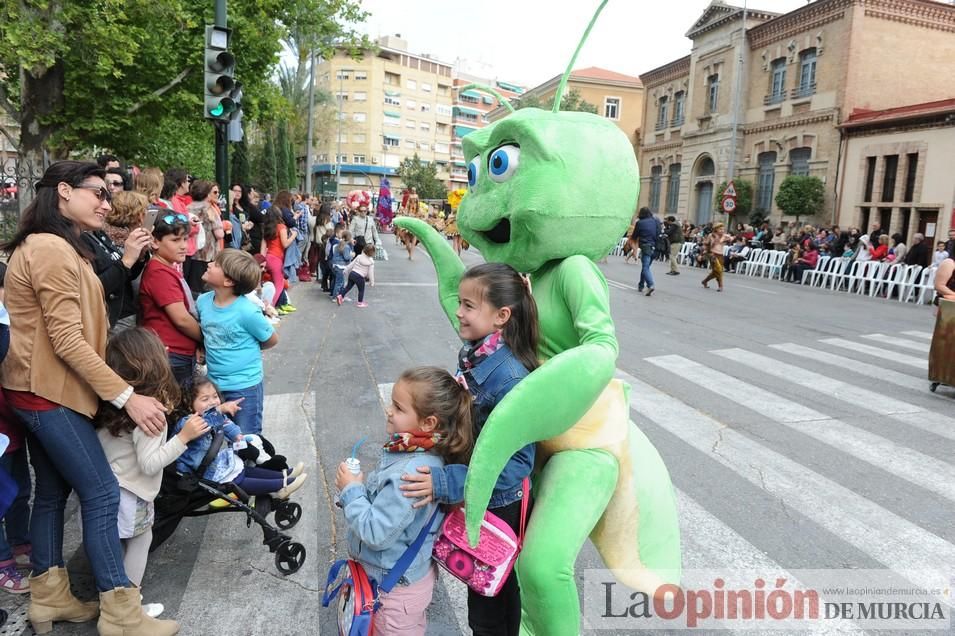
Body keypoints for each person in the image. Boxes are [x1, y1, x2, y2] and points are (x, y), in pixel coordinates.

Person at [0, 160, 175, 634]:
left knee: (52, 496)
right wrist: (127, 398)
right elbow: (68, 339)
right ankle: (121, 614)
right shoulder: (51, 249)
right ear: (63, 191)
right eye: (97, 193)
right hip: (48, 393)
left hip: (40, 390)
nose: (106, 202)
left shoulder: (56, 245)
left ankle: (49, 597)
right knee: (100, 493)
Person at [400, 263, 537, 636]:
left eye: (468, 305)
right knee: (491, 591)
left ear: (501, 316)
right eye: (460, 303)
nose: (458, 312)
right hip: (475, 496)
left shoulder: (509, 378)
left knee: (489, 601)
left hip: (497, 506)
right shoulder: (477, 352)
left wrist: (449, 482)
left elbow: (517, 464)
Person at [336, 366, 472, 636]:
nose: (389, 411)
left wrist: (352, 490)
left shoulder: (410, 474)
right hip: (395, 581)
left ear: (428, 423)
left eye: (398, 408)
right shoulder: (416, 452)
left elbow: (376, 531)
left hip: (393, 593)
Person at [96, 328, 210, 617]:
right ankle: (129, 607)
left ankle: (116, 598)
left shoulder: (113, 402)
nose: (168, 352)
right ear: (154, 364)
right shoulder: (150, 412)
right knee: (141, 540)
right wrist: (183, 437)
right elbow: (150, 463)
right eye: (162, 351)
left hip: (110, 487)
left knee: (118, 546)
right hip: (133, 492)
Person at [174, 377, 306, 497]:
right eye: (205, 399)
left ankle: (282, 475)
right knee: (237, 480)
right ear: (188, 402)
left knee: (243, 469)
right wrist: (219, 410)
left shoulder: (214, 414)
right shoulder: (187, 422)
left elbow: (226, 423)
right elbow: (207, 423)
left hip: (213, 463)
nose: (213, 402)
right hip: (198, 473)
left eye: (215, 396)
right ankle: (281, 487)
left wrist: (237, 435)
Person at [197, 249, 278, 435]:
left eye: (216, 264)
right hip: (214, 385)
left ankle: (253, 465)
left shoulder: (247, 311)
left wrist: (248, 350)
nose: (209, 264)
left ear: (228, 281)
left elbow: (271, 339)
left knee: (246, 438)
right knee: (217, 433)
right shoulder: (202, 302)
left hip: (244, 387)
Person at [139, 213, 202, 387]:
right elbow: (181, 319)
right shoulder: (159, 272)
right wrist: (206, 339)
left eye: (185, 239)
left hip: (178, 353)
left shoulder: (167, 267)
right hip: (171, 354)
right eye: (175, 240)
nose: (183, 246)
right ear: (155, 242)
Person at [0, 261, 32, 595]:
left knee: (21, 491)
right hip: (5, 429)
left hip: (13, 433)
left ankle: (21, 544)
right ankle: (3, 563)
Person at [82, 191, 152, 331]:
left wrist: (140, 255)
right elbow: (94, 287)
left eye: (107, 201)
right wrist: (126, 259)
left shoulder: (98, 233)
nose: (107, 207)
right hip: (111, 318)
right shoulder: (82, 239)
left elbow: (127, 275)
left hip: (124, 310)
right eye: (100, 200)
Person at [185, 180, 224, 294]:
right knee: (205, 289)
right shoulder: (209, 209)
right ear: (207, 193)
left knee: (192, 288)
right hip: (207, 254)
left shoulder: (187, 208)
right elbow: (219, 234)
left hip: (191, 252)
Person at [261, 206, 297, 313]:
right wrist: (294, 235)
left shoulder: (266, 229)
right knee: (279, 285)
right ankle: (270, 308)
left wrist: (262, 263)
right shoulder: (281, 227)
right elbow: (285, 244)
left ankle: (271, 304)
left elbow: (262, 249)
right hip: (276, 259)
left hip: (267, 258)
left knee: (270, 283)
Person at [631, 207, 661, 296]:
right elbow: (658, 233)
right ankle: (641, 285)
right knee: (646, 267)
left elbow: (634, 237)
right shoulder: (656, 220)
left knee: (645, 267)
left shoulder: (639, 223)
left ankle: (650, 285)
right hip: (656, 247)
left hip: (646, 246)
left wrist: (634, 249)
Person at [701, 222, 726, 291]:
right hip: (712, 254)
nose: (722, 231)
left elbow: (732, 239)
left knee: (716, 271)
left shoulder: (724, 236)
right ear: (716, 229)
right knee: (719, 270)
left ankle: (705, 281)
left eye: (723, 229)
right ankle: (720, 286)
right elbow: (705, 244)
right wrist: (705, 252)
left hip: (720, 255)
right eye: (720, 229)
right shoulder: (711, 235)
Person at [329, 230, 354, 301]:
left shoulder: (339, 244)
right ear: (349, 238)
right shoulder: (346, 246)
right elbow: (346, 257)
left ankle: (341, 295)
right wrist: (352, 255)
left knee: (340, 282)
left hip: (336, 265)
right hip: (341, 266)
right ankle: (335, 297)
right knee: (340, 282)